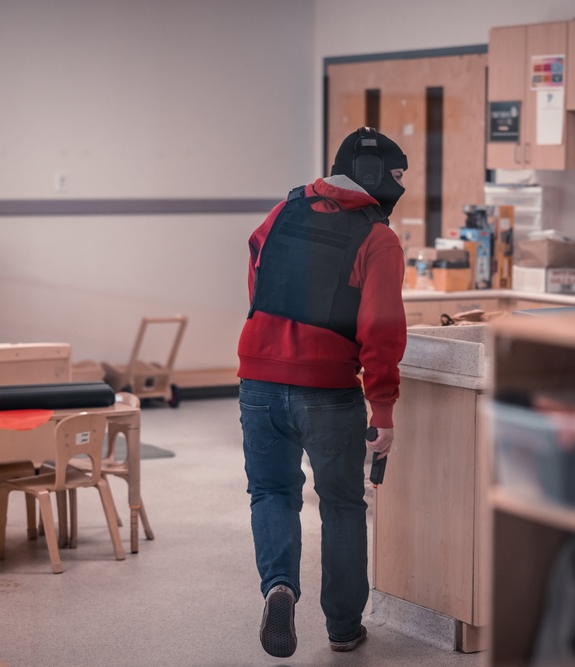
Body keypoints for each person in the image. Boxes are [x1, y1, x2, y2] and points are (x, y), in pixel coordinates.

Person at [237, 127, 409, 658]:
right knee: (340, 505)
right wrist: (382, 407)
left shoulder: (281, 213)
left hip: (258, 382)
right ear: (375, 175)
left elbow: (257, 281)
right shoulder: (377, 237)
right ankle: (342, 627)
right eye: (398, 177)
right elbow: (380, 330)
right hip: (329, 391)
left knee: (271, 493)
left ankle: (280, 587)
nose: (401, 188)